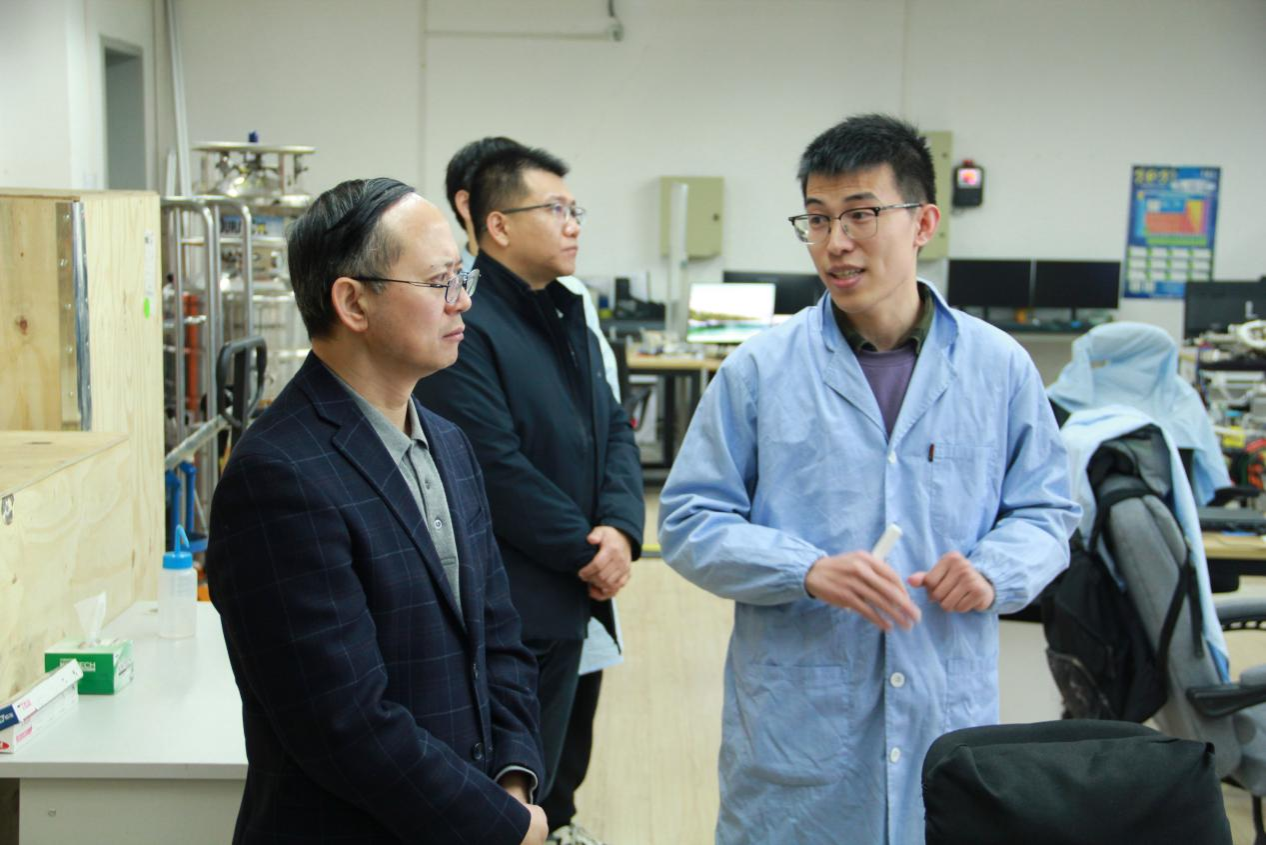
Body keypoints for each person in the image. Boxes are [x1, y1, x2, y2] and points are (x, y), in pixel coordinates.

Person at [657, 114, 1081, 845]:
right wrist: (805, 568)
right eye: (817, 219)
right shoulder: (760, 370)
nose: (835, 242)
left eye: (860, 215)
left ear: (924, 224)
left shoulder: (998, 368)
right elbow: (690, 520)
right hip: (800, 733)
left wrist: (993, 570)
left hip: (944, 715)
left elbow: (1047, 511)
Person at [207, 178, 547, 845]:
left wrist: (513, 780)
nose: (463, 300)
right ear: (353, 302)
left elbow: (500, 637)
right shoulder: (279, 476)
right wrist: (500, 825)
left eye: (463, 277)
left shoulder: (448, 443)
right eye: (440, 281)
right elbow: (344, 723)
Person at [416, 144, 644, 845]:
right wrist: (588, 549)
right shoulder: (467, 321)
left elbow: (612, 426)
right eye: (556, 209)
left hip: (576, 583)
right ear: (498, 225)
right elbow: (493, 466)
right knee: (512, 779)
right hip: (515, 598)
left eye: (575, 210)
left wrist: (622, 529)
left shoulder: (565, 311)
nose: (573, 224)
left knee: (561, 757)